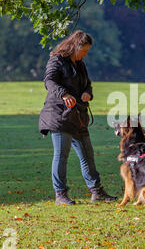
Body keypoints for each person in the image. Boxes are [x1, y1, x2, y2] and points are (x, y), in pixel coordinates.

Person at [39, 30, 117, 205]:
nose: (86, 54)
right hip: (59, 115)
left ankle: (96, 191)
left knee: (87, 154)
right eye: (84, 50)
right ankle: (60, 195)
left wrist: (87, 93)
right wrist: (64, 94)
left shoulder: (80, 64)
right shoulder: (57, 60)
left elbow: (87, 83)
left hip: (78, 116)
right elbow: (49, 81)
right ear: (75, 46)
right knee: (61, 155)